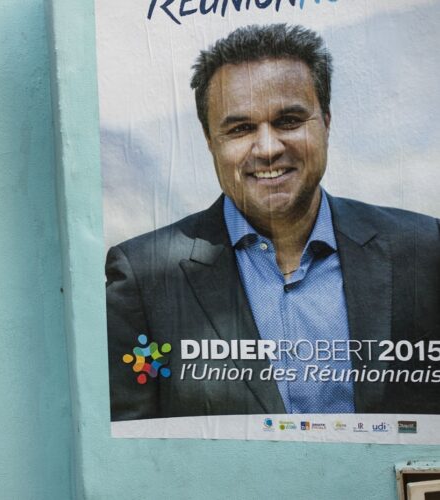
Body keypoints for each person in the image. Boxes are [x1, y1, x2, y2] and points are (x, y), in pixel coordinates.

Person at [106, 24, 440, 421]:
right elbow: (129, 449)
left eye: (289, 121)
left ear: (326, 122)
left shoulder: (425, 251)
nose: (267, 148)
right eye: (241, 128)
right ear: (210, 140)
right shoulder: (143, 280)